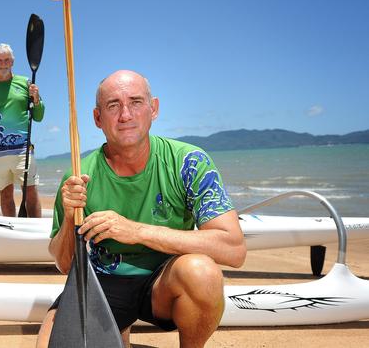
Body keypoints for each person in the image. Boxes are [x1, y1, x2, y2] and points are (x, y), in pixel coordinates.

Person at [36, 70, 247, 348]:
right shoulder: (79, 175)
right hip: (104, 284)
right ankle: (118, 333)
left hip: (166, 281)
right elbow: (64, 264)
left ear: (154, 109)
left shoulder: (189, 162)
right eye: (113, 106)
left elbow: (233, 249)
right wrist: (68, 220)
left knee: (202, 273)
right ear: (98, 118)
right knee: (50, 343)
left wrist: (136, 231)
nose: (125, 115)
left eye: (136, 102)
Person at [0, 43, 45, 217]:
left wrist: (36, 100)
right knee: (5, 194)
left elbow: (38, 116)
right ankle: (10, 230)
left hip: (22, 150)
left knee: (30, 192)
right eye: (0, 60)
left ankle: (35, 231)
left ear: (12, 61)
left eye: (7, 60)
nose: (3, 63)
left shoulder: (25, 83)